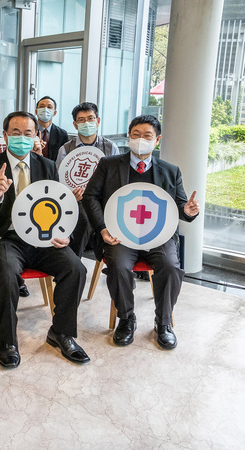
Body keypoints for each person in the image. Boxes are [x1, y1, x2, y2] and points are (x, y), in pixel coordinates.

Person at [0, 111, 89, 369]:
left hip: (42, 236)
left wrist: (63, 233)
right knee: (6, 273)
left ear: (36, 135)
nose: (22, 138)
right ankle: (7, 340)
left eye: (28, 133)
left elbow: (57, 205)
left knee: (76, 268)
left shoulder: (47, 166)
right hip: (6, 238)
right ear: (5, 135)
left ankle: (61, 332)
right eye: (16, 133)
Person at [83, 114, 199, 350]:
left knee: (170, 266)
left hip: (158, 237)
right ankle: (127, 319)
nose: (141, 140)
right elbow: (90, 197)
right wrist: (102, 229)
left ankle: (163, 323)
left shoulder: (171, 171)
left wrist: (187, 211)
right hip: (120, 235)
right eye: (136, 134)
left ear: (157, 140)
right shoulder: (108, 165)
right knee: (118, 266)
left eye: (147, 136)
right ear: (128, 136)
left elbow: (179, 205)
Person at [55, 102, 120, 258]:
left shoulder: (111, 148)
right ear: (75, 125)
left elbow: (116, 180)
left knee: (88, 215)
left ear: (98, 121)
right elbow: (59, 181)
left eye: (90, 118)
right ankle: (74, 261)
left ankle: (75, 260)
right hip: (76, 200)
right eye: (81, 120)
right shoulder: (65, 149)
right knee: (82, 217)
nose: (86, 123)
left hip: (102, 200)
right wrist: (70, 194)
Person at [35, 96, 69, 161]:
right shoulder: (29, 131)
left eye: (49, 107)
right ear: (36, 112)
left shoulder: (62, 134)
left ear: (54, 113)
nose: (45, 109)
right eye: (42, 106)